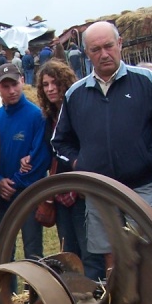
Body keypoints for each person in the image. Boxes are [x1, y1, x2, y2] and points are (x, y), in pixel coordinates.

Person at [52, 21, 152, 275]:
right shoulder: (76, 94)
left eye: (109, 46)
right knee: (109, 259)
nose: (104, 54)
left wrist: (148, 158)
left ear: (120, 44)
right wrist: (80, 163)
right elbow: (60, 142)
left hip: (141, 187)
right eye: (96, 49)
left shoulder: (147, 81)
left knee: (146, 254)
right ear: (87, 54)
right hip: (99, 192)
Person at [37, 60, 104, 280]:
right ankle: (76, 296)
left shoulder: (79, 110)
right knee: (68, 247)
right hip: (60, 189)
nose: (50, 89)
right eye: (45, 84)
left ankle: (95, 291)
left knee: (90, 248)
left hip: (81, 188)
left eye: (55, 83)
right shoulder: (48, 119)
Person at [0, 63, 50, 259]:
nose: (12, 91)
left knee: (32, 250)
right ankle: (4, 289)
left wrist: (14, 183)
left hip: (28, 195)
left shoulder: (37, 116)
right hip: (1, 195)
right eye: (5, 87)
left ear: (23, 81)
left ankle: (33, 289)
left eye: (15, 84)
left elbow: (40, 158)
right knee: (3, 249)